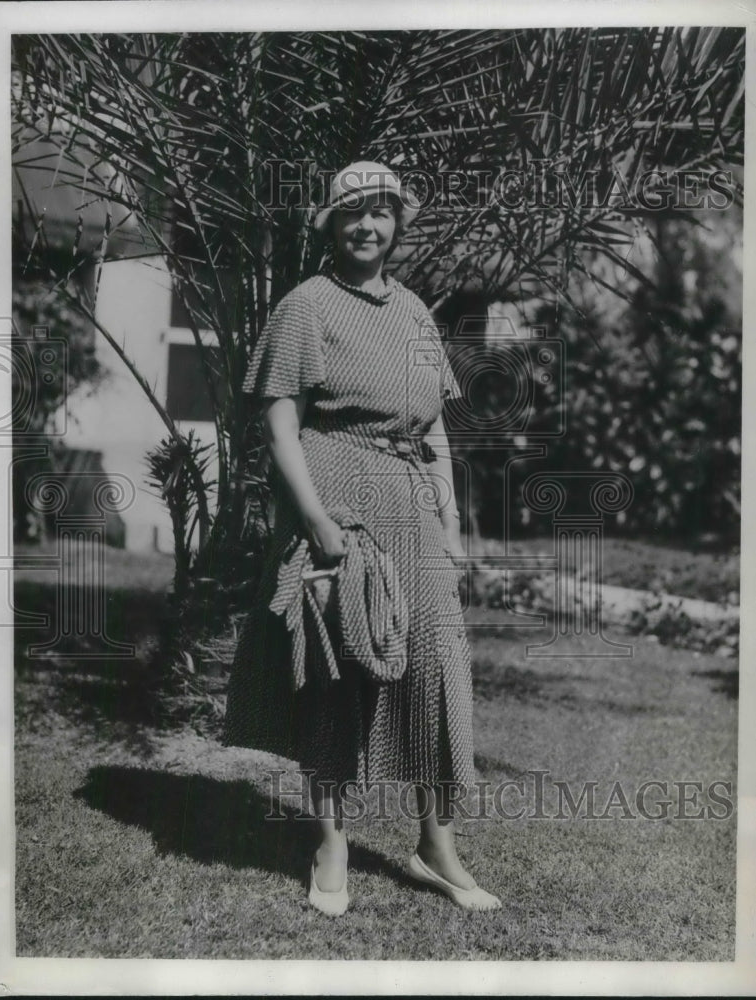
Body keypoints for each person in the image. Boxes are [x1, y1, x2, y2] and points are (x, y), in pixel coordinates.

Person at [223, 161, 500, 915]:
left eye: (380, 214)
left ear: (396, 225)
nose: (367, 227)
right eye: (352, 214)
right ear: (330, 224)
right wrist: (313, 520)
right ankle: (330, 844)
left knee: (440, 663)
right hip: (336, 493)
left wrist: (446, 524)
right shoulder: (305, 306)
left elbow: (436, 427)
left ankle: (434, 846)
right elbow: (281, 422)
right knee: (337, 671)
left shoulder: (412, 311)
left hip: (410, 502)